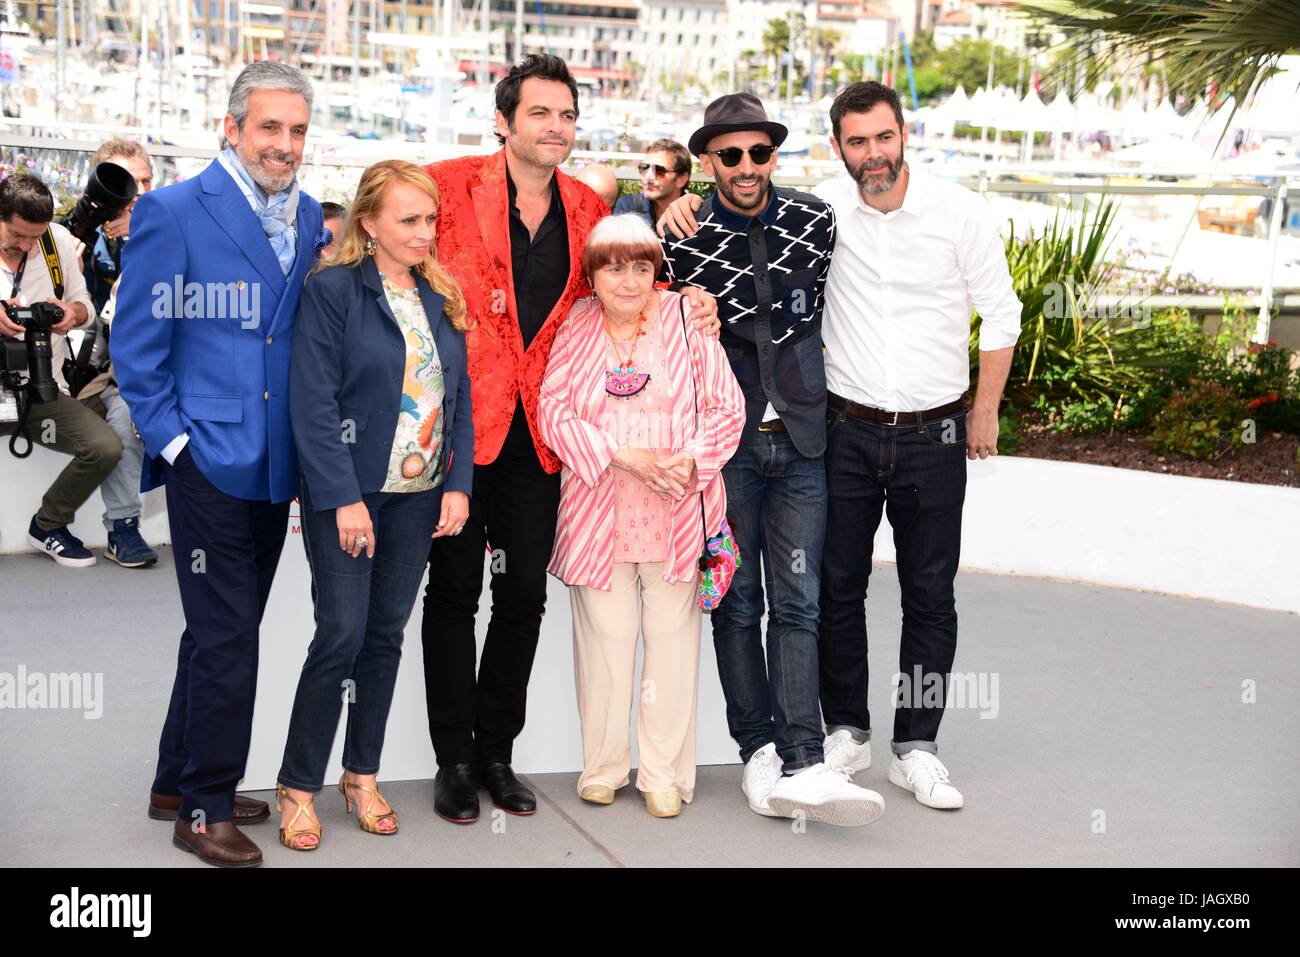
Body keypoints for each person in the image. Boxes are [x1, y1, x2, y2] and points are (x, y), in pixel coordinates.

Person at [421, 53, 719, 825]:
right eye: (540, 114)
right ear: (504, 120)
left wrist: (690, 297)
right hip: (456, 426)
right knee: (453, 591)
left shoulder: (591, 204)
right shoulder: (447, 184)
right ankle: (453, 760)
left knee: (521, 595)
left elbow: (628, 285)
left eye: (567, 115)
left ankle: (497, 753)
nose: (555, 128)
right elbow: (391, 258)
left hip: (543, 441)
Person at [113, 61, 326, 866]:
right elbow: (137, 350)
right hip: (206, 462)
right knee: (231, 637)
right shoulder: (170, 212)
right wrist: (177, 446)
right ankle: (202, 808)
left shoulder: (309, 219)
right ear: (231, 128)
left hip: (276, 466)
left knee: (215, 634)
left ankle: (175, 778)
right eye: (270, 127)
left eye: (297, 130)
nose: (285, 144)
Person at [656, 92, 884, 826]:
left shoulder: (815, 219)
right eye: (730, 155)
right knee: (734, 598)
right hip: (724, 449)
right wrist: (653, 203)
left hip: (804, 440)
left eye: (759, 152)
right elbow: (617, 266)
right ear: (708, 162)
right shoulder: (680, 235)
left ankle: (804, 755)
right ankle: (757, 747)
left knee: (800, 602)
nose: (747, 166)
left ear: (774, 156)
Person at [810, 82, 1020, 809]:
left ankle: (917, 746)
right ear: (838, 148)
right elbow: (740, 210)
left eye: (884, 137)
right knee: (837, 585)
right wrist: (678, 199)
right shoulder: (821, 213)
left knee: (930, 593)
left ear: (906, 135)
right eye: (858, 142)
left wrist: (984, 409)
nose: (874, 154)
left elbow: (1002, 313)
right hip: (844, 430)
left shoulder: (959, 213)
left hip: (936, 433)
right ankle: (846, 731)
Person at [274, 160, 473, 850]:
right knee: (341, 634)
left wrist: (458, 483)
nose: (424, 232)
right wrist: (341, 498)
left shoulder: (441, 293)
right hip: (350, 500)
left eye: (430, 220)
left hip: (419, 500)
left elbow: (459, 399)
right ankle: (298, 784)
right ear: (370, 224)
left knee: (385, 637)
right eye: (409, 220)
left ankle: (362, 773)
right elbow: (313, 403)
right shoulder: (332, 291)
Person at [538, 214, 744, 818]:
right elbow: (552, 410)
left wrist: (689, 461)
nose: (628, 281)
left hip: (677, 511)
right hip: (599, 510)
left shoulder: (688, 318)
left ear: (657, 270)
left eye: (641, 267)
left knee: (672, 643)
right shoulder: (576, 325)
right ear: (593, 275)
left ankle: (663, 774)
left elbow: (726, 409)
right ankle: (602, 767)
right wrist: (619, 455)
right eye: (613, 268)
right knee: (607, 641)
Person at [0, 174, 117, 569]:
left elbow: (83, 304)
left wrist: (72, 314)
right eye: (18, 235)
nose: (27, 245)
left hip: (40, 390)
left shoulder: (57, 244)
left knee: (104, 447)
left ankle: (48, 524)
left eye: (35, 236)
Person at [72, 137, 160, 568]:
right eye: (125, 184)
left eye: (144, 181)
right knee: (127, 417)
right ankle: (123, 528)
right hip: (102, 373)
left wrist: (146, 232)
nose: (136, 193)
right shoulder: (76, 241)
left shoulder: (166, 228)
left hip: (163, 365)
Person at [81, 138, 155, 314]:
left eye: (146, 181)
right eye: (130, 181)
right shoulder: (83, 223)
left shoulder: (162, 225)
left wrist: (141, 229)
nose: (141, 191)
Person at [614, 138, 691, 227]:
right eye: (644, 168)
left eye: (659, 171)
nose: (648, 177)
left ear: (681, 179)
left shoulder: (694, 213)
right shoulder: (628, 207)